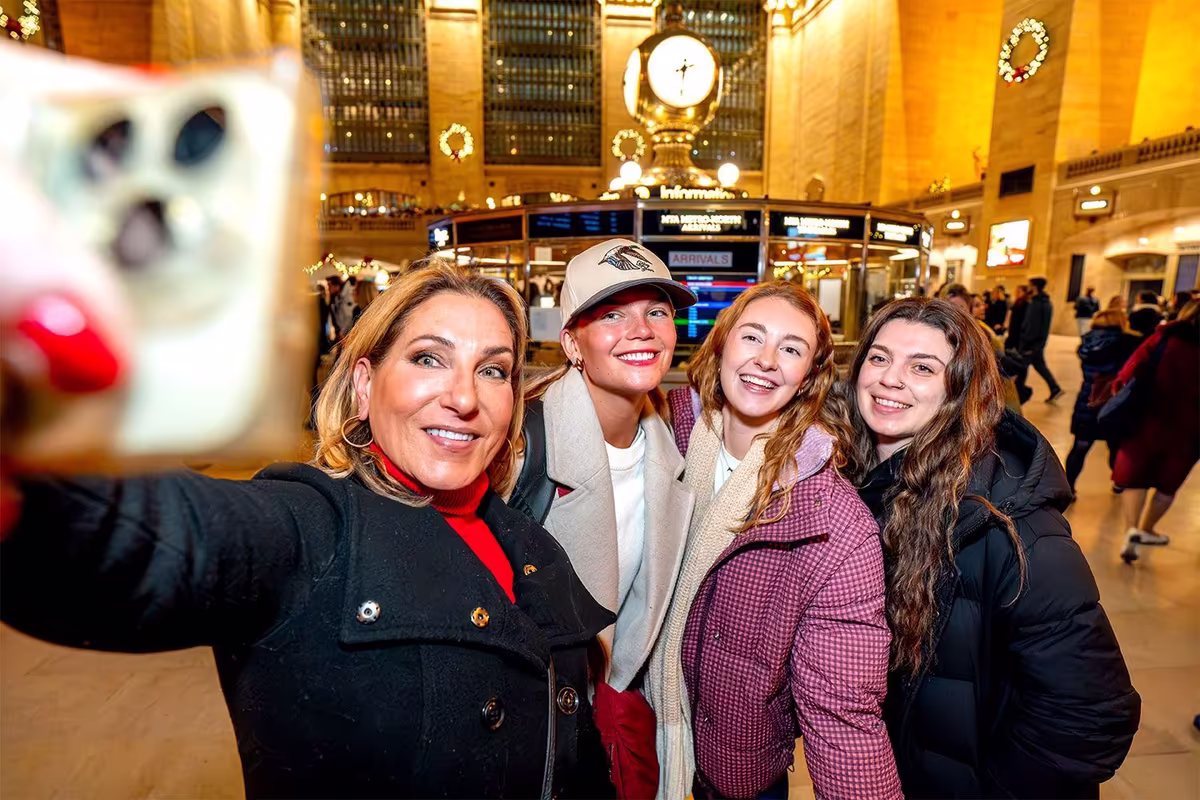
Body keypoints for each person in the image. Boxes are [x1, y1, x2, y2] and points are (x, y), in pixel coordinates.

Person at [1, 261, 615, 799]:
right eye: (429, 358)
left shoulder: (534, 549)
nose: (463, 396)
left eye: (493, 371)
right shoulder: (308, 526)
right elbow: (130, 538)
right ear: (366, 383)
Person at [838, 298, 1140, 798]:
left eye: (922, 367)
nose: (890, 378)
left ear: (960, 391)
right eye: (879, 357)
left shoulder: (1013, 527)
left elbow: (1092, 719)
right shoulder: (865, 488)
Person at [651, 282, 901, 800]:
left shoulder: (834, 522)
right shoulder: (660, 431)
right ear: (720, 345)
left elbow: (843, 710)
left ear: (808, 377)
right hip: (638, 734)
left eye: (790, 349)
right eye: (752, 338)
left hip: (738, 771)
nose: (766, 361)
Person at [514, 240, 698, 793]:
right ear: (572, 342)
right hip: (529, 726)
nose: (641, 330)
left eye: (656, 312)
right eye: (612, 314)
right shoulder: (518, 445)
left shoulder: (673, 452)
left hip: (614, 721)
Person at [1116, 299, 1200, 563]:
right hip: (1190, 429)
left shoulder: (1162, 339)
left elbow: (1128, 373)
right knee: (1167, 484)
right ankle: (1146, 528)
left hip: (1147, 419)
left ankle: (1131, 530)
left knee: (1135, 477)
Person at [1065, 309, 1143, 496]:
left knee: (1080, 446)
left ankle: (1068, 488)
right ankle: (1119, 483)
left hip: (1089, 399)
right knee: (1115, 445)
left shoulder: (1087, 342)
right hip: (1115, 400)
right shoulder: (1129, 342)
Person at [943, 284, 1021, 414]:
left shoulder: (978, 334)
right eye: (950, 307)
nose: (955, 313)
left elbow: (998, 366)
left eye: (960, 307)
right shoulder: (941, 334)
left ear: (969, 309)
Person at [1016, 276, 1064, 401]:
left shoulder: (1036, 304)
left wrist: (1026, 341)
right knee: (1039, 365)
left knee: (1021, 367)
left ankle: (1019, 393)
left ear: (1034, 287)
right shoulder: (1046, 303)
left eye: (1030, 285)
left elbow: (1032, 325)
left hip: (1031, 343)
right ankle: (1054, 388)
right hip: (1039, 342)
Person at [1003, 284, 1029, 352]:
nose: (1017, 293)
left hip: (1019, 331)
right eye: (1016, 291)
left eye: (1019, 291)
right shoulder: (1017, 302)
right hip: (1013, 329)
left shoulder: (1027, 304)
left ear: (1024, 293)